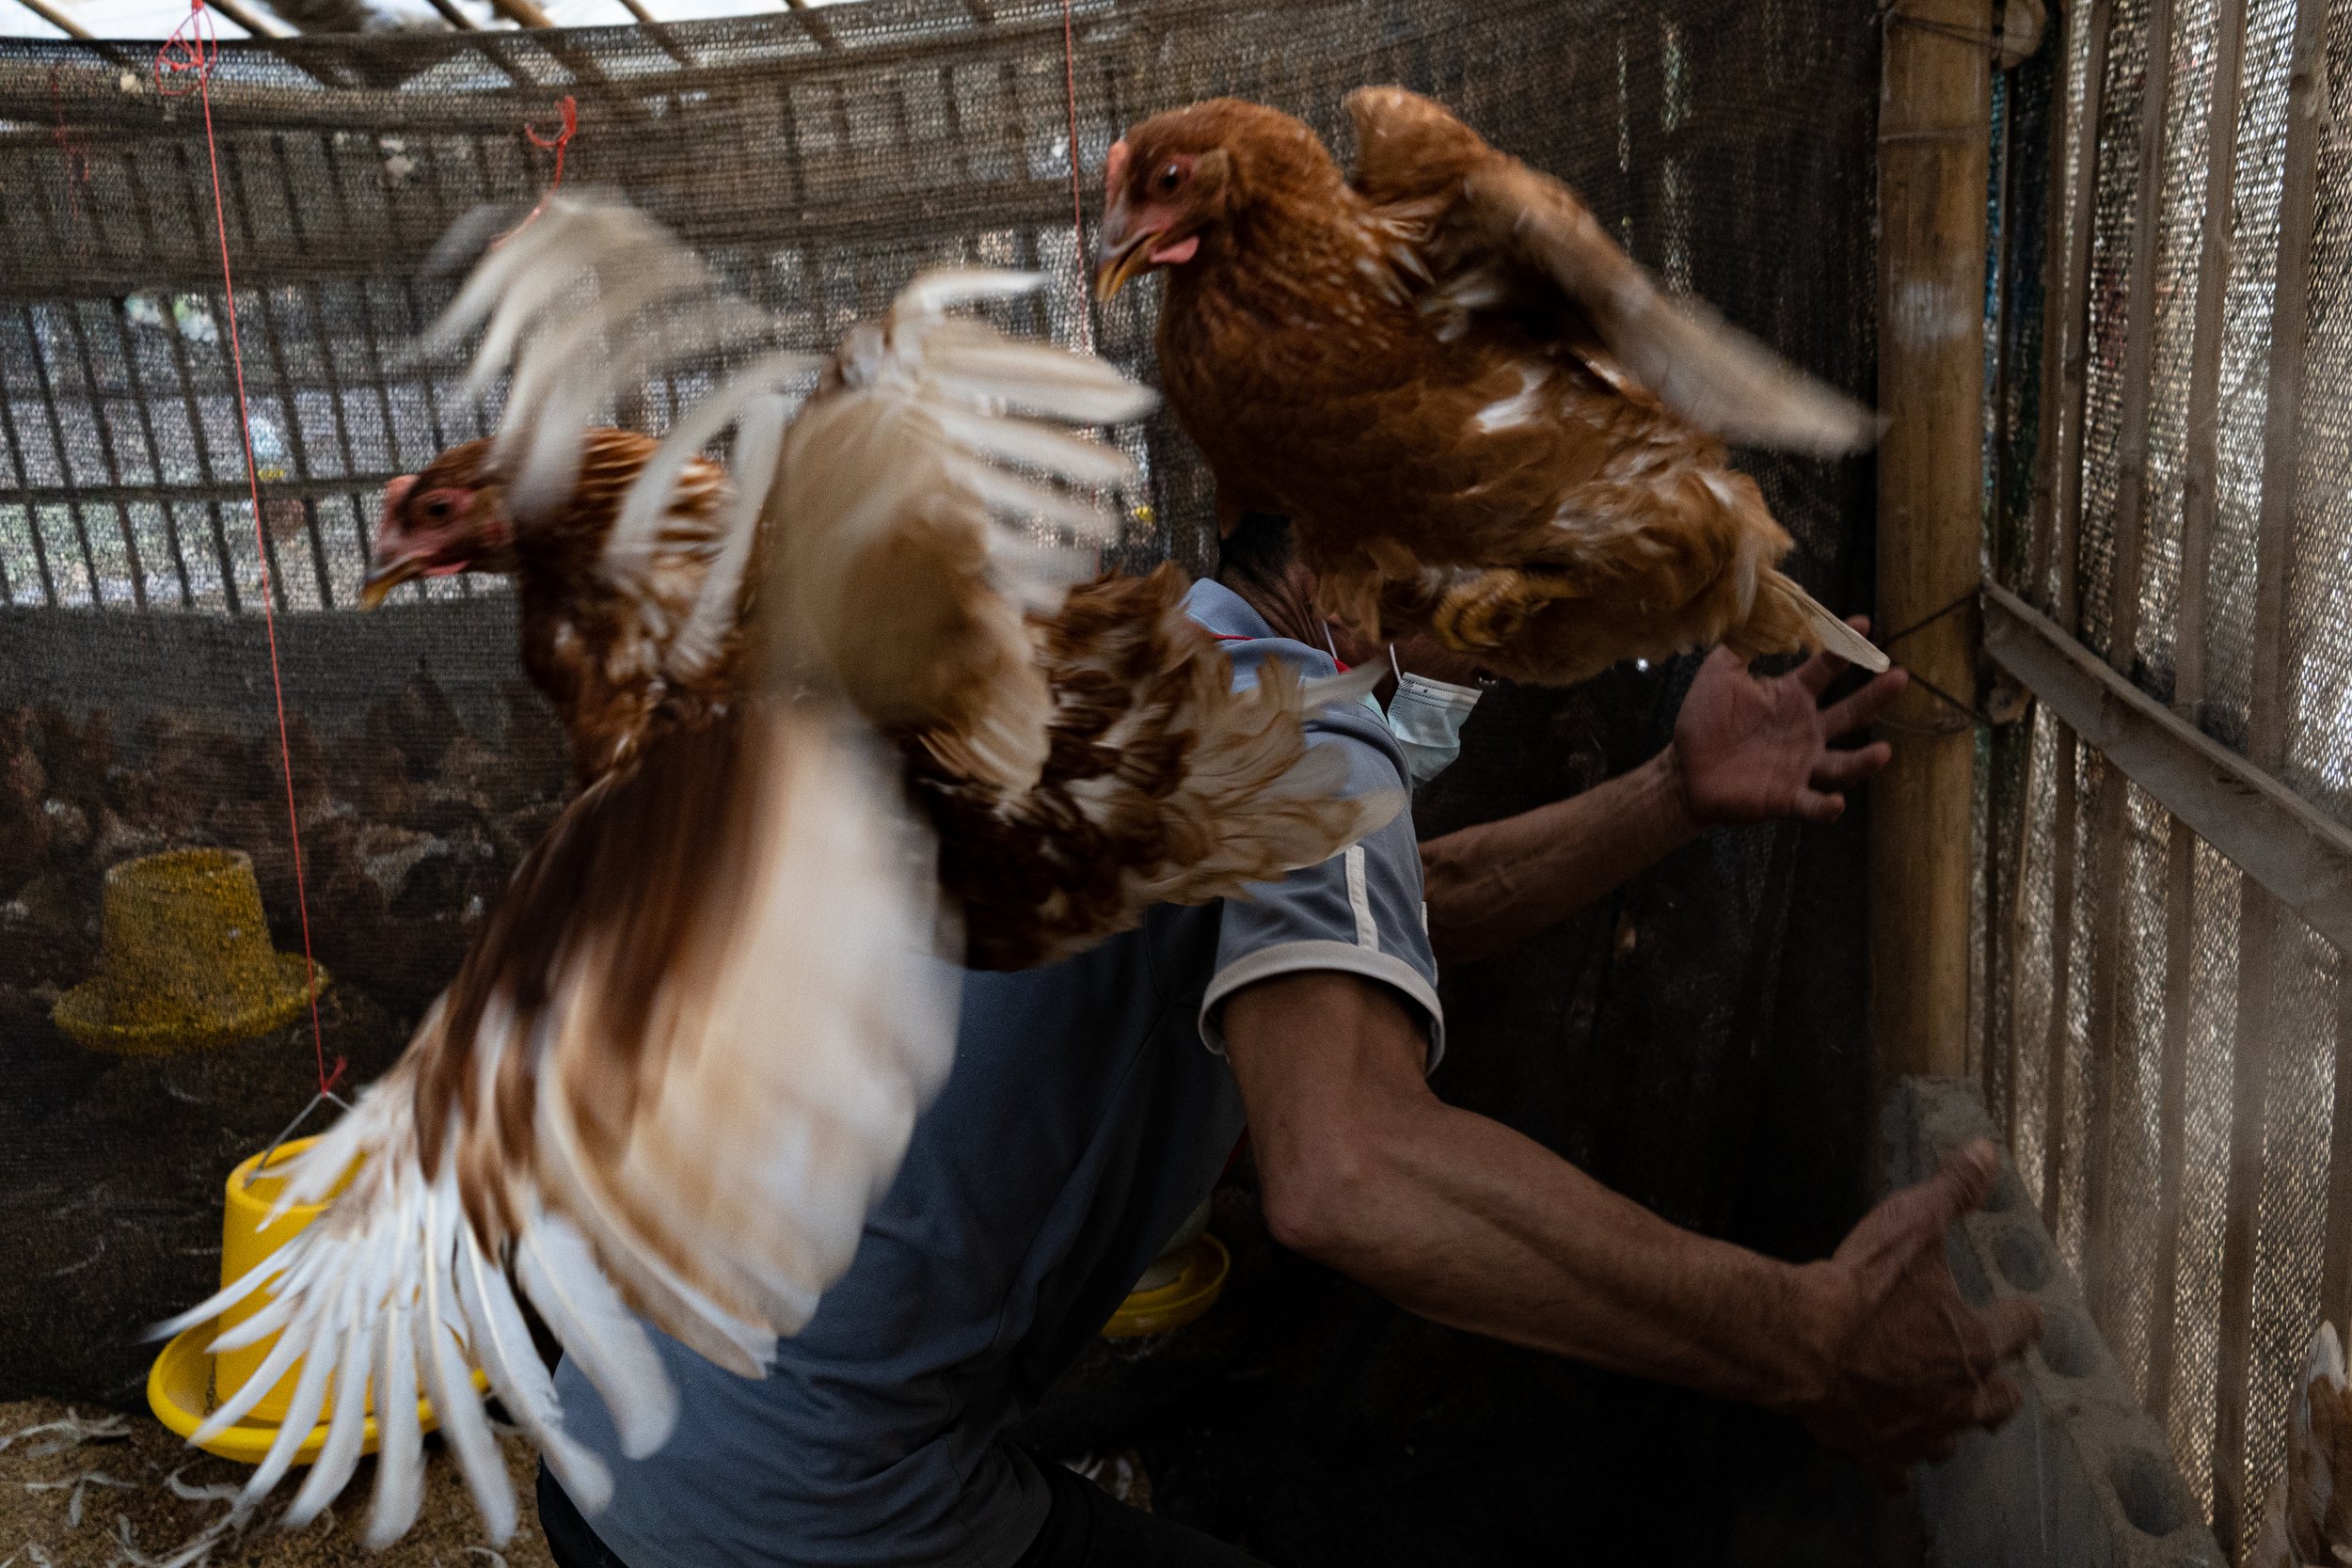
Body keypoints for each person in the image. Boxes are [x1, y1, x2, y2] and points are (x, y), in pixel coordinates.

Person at [534, 514, 2042, 1568]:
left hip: (605, 1438)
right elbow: (1348, 1164)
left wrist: (1670, 798)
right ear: (1348, 545)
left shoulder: (1151, 654)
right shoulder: (1300, 718)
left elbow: (1392, 918)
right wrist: (1802, 1338)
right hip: (788, 1507)